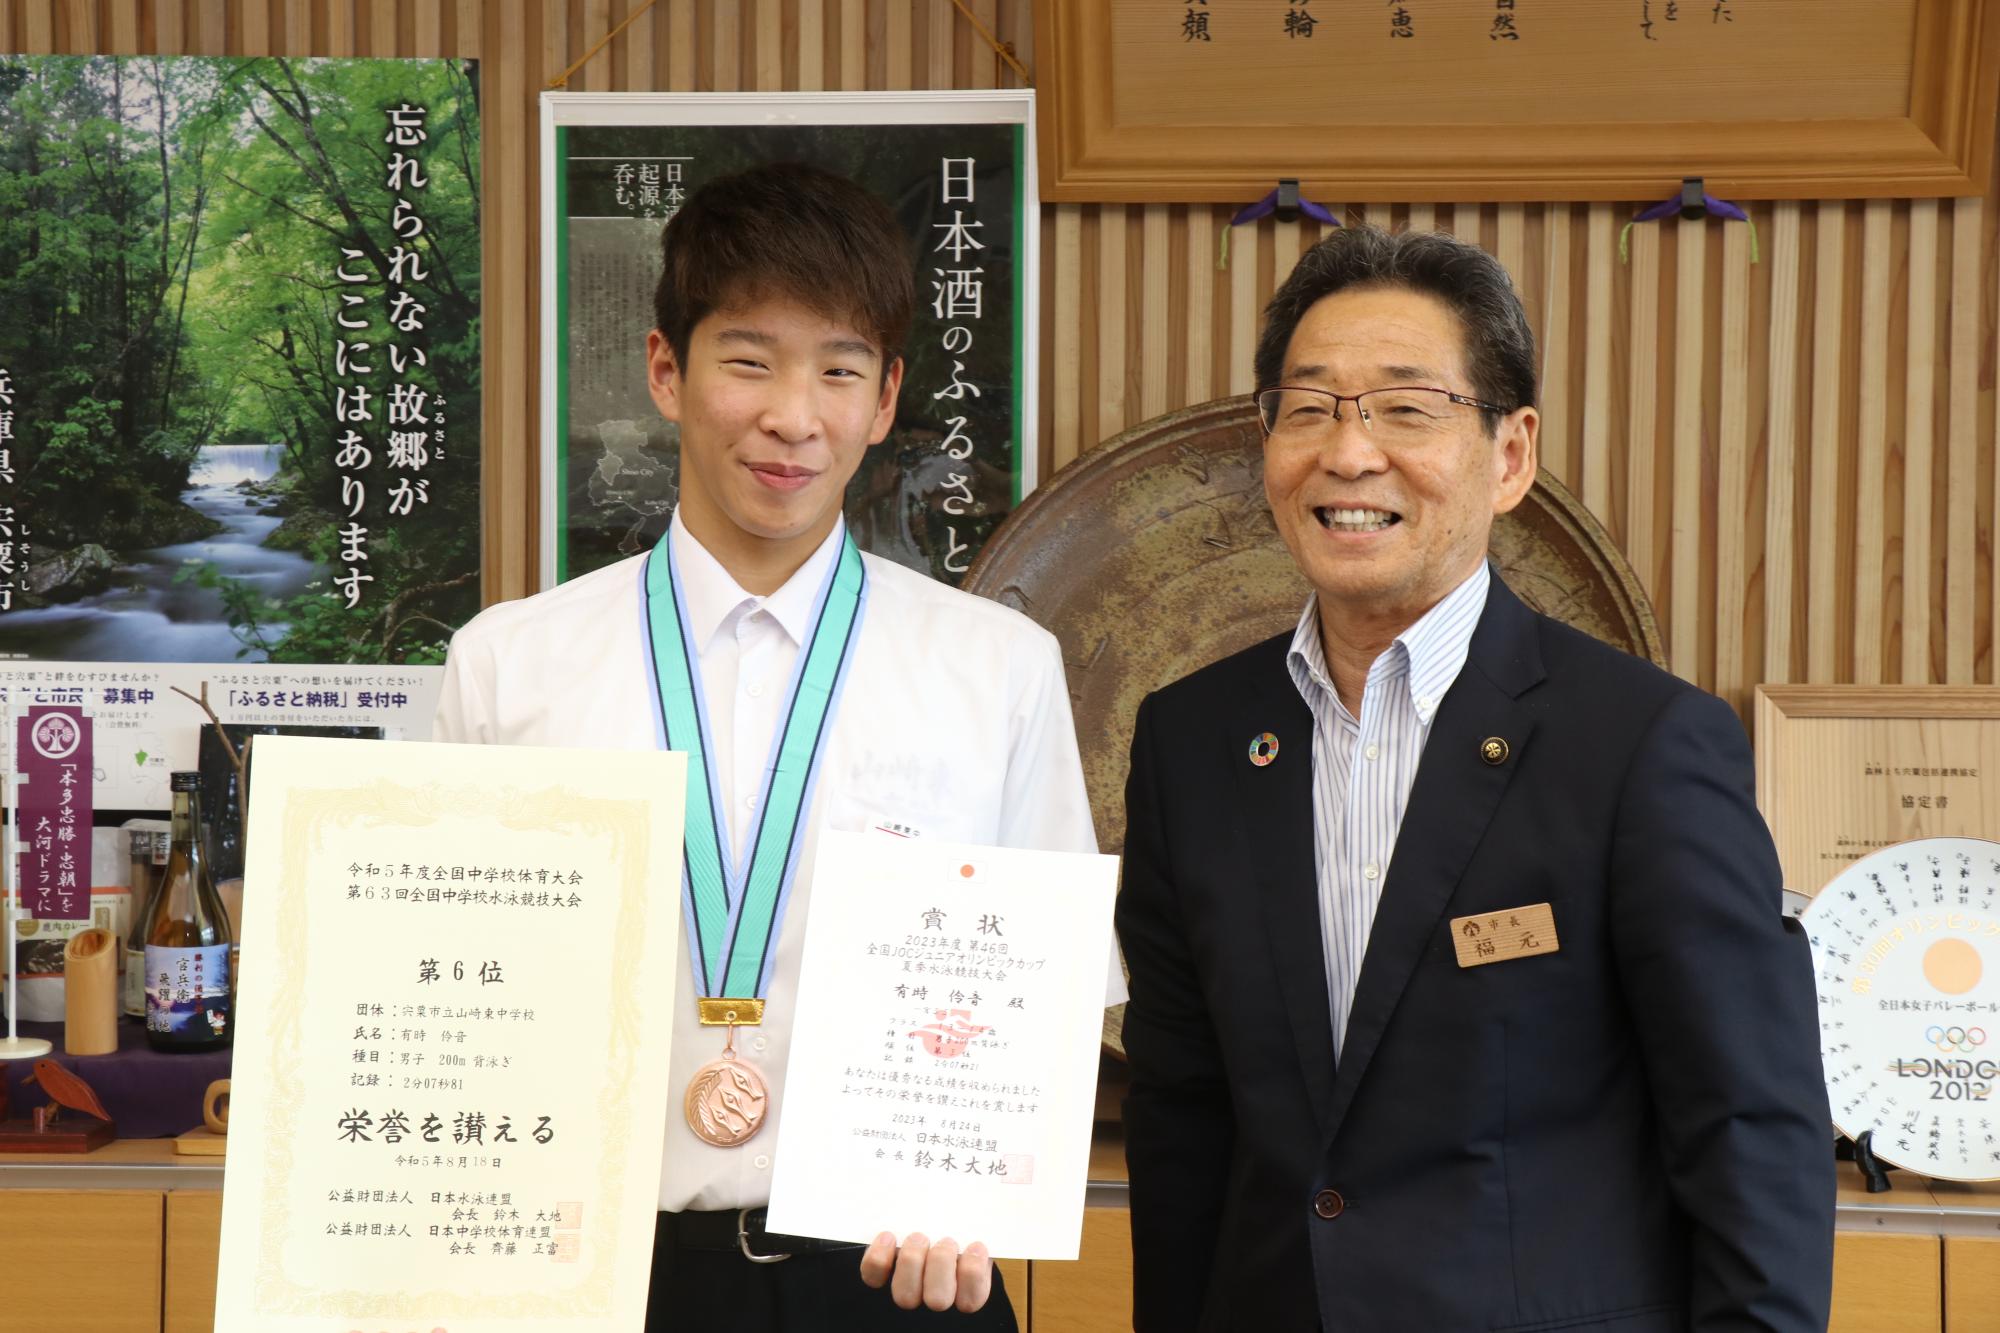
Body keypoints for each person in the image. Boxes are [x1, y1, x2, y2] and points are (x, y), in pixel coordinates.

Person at [1115, 225, 1834, 1331]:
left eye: (1406, 408)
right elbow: (1183, 1120)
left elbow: (1749, 1129)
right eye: (1307, 408)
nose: (1348, 455)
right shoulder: (1192, 739)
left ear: (1509, 456)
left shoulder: (1640, 744)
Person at [434, 163, 1103, 1330]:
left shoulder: (995, 665)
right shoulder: (510, 664)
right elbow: (448, 993)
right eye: (747, 359)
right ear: (665, 371)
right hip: (588, 1274)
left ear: (885, 398)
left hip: (896, 1282)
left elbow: (1046, 1004)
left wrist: (983, 1185)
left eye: (838, 368)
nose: (793, 415)